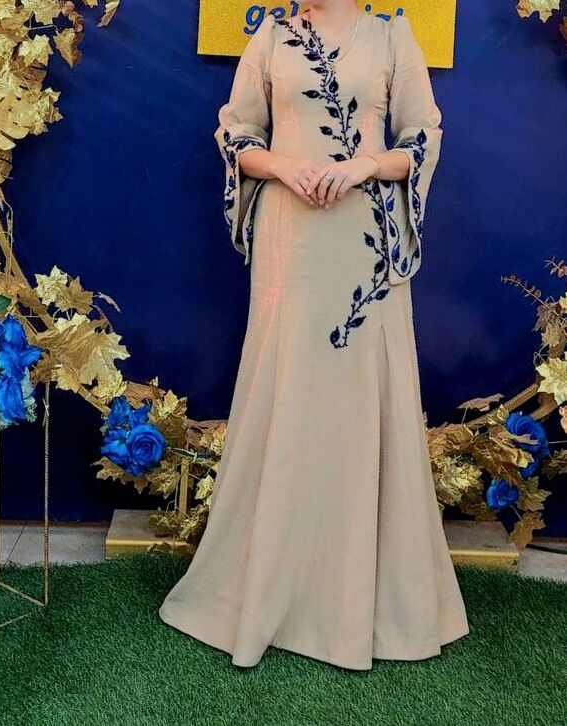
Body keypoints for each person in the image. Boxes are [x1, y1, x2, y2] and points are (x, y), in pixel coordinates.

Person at [159, 0, 470, 671]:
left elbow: (423, 138)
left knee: (360, 397)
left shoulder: (391, 37)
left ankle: (363, 600)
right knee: (288, 389)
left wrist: (363, 166)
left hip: (366, 240)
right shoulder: (271, 37)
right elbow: (236, 133)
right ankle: (264, 587)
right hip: (290, 237)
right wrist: (280, 166)